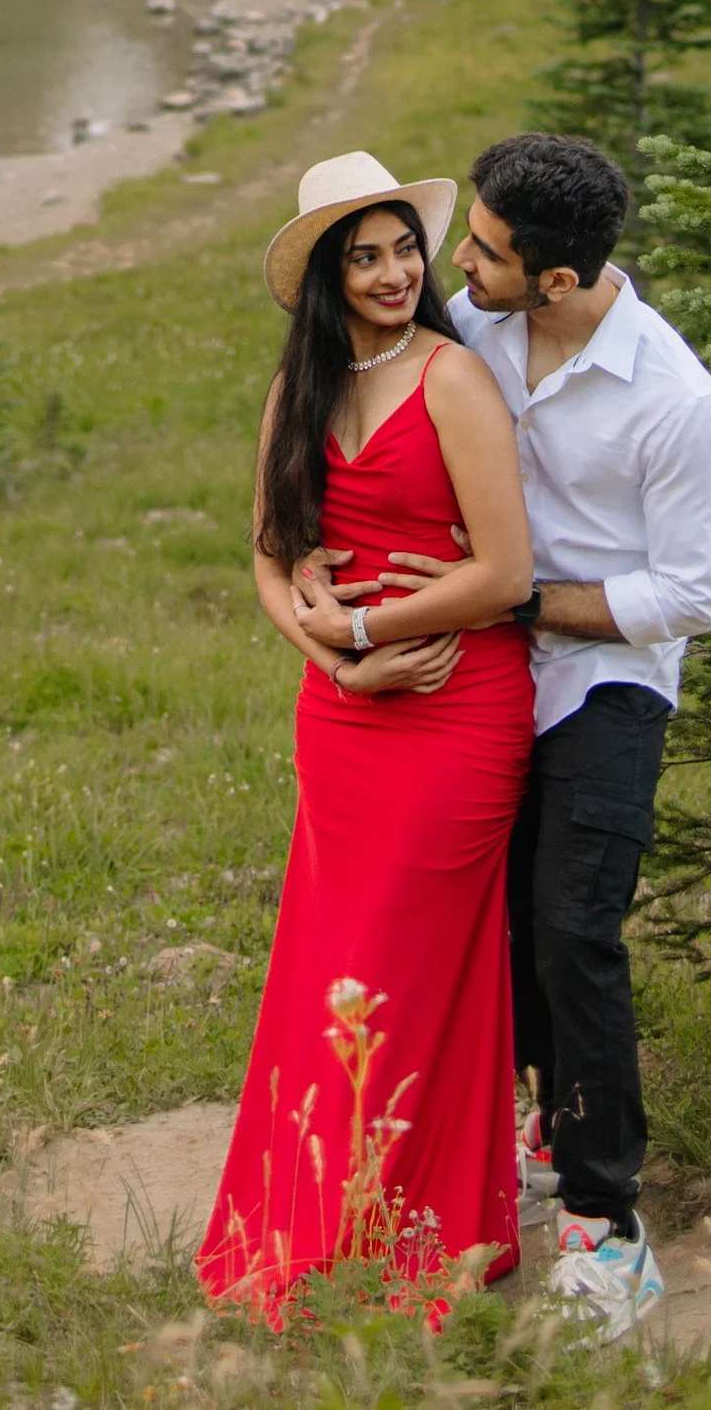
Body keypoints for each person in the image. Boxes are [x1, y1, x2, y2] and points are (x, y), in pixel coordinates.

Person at [381, 132, 711, 1342]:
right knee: (495, 921)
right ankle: (534, 1132)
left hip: (601, 683)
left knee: (575, 933)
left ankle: (605, 1225)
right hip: (479, 673)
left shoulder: (677, 404)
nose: (457, 264)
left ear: (560, 278)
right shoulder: (472, 328)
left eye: (482, 253)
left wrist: (524, 602)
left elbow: (690, 594)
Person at [197, 151, 537, 1323]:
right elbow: (263, 553)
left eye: (403, 248)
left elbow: (505, 573)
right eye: (365, 256)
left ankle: (417, 1231)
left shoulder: (452, 381)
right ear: (326, 281)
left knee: (407, 968)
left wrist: (369, 623)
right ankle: (318, 1209)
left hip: (456, 710)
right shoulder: (296, 395)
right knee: (328, 966)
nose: (394, 273)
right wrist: (334, 652)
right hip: (344, 717)